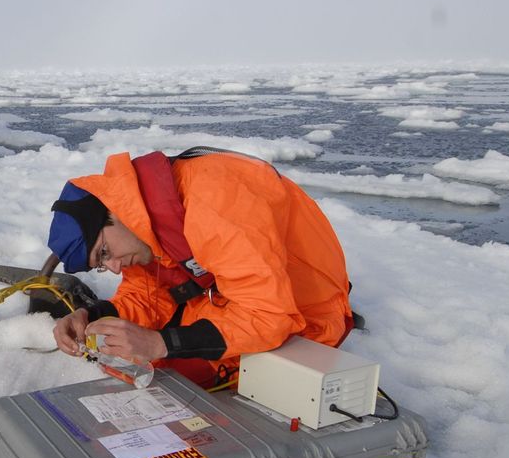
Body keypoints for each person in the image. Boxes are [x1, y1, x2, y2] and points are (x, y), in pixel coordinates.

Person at [48, 147, 352, 386]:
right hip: (232, 298)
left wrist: (161, 343)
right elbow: (149, 291)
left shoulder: (215, 204)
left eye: (104, 252)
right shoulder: (144, 219)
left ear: (111, 210)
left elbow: (269, 316)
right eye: (101, 265)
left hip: (302, 314)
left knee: (173, 380)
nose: (114, 267)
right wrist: (94, 317)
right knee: (131, 364)